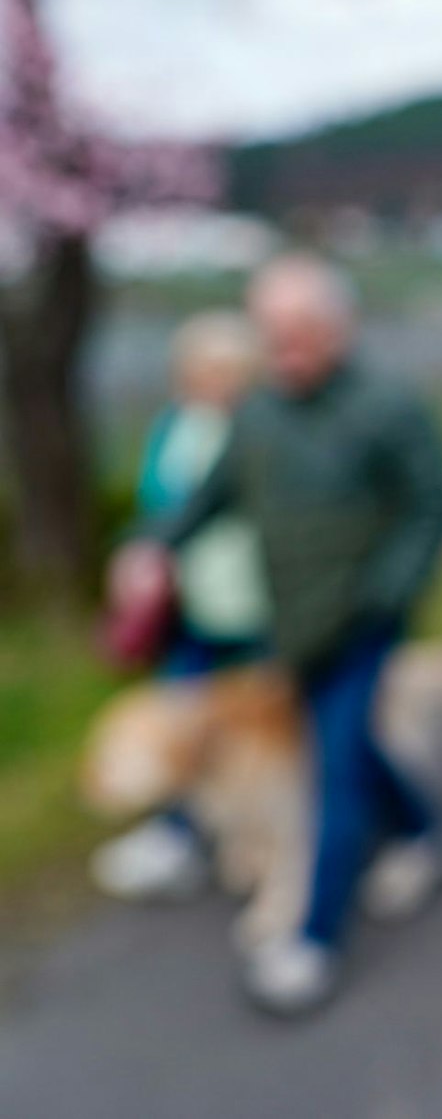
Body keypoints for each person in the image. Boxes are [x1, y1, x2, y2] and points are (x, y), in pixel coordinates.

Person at [117, 254, 442, 1017]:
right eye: (272, 332)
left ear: (339, 327)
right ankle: (424, 831)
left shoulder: (389, 406)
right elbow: (209, 498)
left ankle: (311, 939)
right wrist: (152, 547)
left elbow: (434, 505)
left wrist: (385, 593)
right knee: (354, 746)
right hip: (291, 623)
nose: (286, 348)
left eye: (301, 330)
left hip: (362, 621)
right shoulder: (257, 414)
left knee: (333, 769)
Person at [92, 311, 271, 902]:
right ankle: (183, 831)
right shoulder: (174, 426)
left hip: (256, 606)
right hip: (192, 607)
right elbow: (159, 505)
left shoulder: (263, 426)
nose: (212, 381)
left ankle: (257, 836)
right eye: (201, 370)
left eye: (224, 370)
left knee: (257, 732)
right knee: (181, 725)